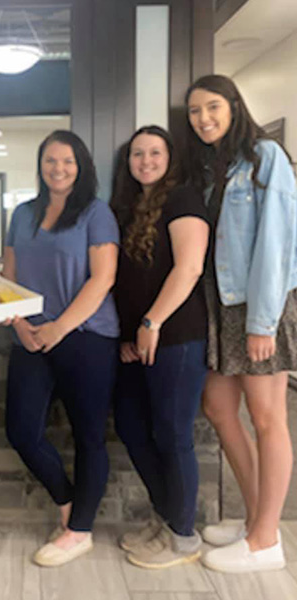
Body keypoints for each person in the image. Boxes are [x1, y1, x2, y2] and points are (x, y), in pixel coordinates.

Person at [185, 74, 297, 573]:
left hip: (258, 306)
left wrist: (263, 322)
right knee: (219, 407)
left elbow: (277, 244)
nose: (204, 118)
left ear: (234, 106)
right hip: (221, 305)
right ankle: (256, 518)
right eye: (194, 111)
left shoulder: (265, 157)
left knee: (268, 416)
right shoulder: (215, 168)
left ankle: (265, 540)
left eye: (212, 107)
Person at [2, 130, 119, 567]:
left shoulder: (95, 213)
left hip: (86, 337)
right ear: (40, 165)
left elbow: (102, 278)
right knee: (21, 430)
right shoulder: (23, 213)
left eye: (68, 161)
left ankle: (80, 531)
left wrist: (59, 328)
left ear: (81, 165)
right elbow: (8, 278)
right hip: (30, 336)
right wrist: (21, 324)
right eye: (50, 160)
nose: (58, 168)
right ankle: (69, 503)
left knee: (89, 436)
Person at [111, 125, 210, 569]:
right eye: (137, 154)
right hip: (137, 341)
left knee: (172, 435)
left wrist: (152, 322)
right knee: (133, 428)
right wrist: (130, 334)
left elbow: (188, 268)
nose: (145, 161)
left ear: (169, 157)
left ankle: (183, 537)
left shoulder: (184, 198)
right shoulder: (127, 206)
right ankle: (165, 517)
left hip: (176, 337)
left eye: (154, 152)